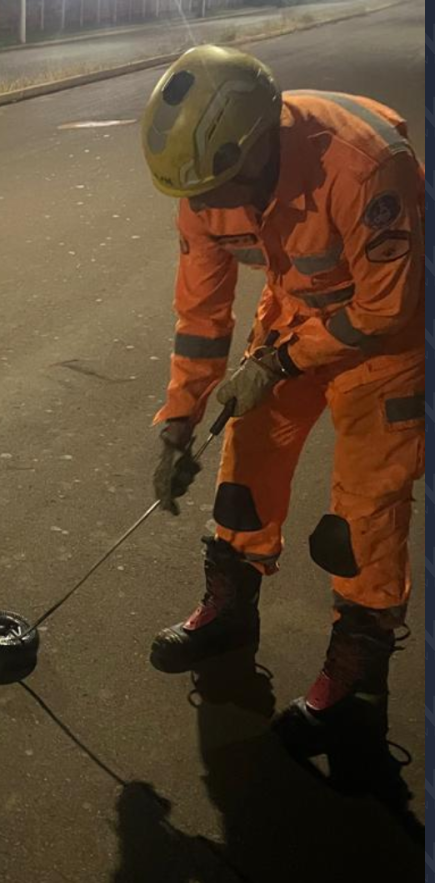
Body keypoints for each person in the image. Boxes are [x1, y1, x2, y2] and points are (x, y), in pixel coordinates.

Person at [140, 46, 423, 761]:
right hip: (298, 317)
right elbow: (202, 314)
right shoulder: (205, 183)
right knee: (247, 458)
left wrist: (281, 362)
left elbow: (385, 309)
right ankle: (230, 610)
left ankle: (355, 682)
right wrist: (179, 419)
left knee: (365, 510)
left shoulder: (365, 165)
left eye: (219, 189)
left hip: (390, 338)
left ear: (262, 141)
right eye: (196, 196)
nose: (207, 209)